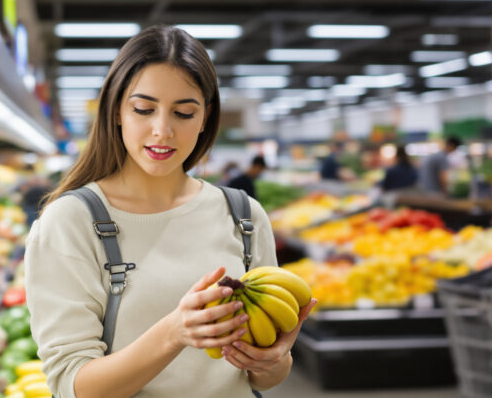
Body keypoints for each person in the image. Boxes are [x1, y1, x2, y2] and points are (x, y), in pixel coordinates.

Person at [24, 25, 315, 398]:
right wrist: (175, 332)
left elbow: (264, 379)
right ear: (116, 110)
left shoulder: (243, 215)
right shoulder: (70, 222)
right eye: (144, 109)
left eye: (183, 113)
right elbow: (72, 386)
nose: (162, 130)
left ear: (205, 118)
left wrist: (272, 361)